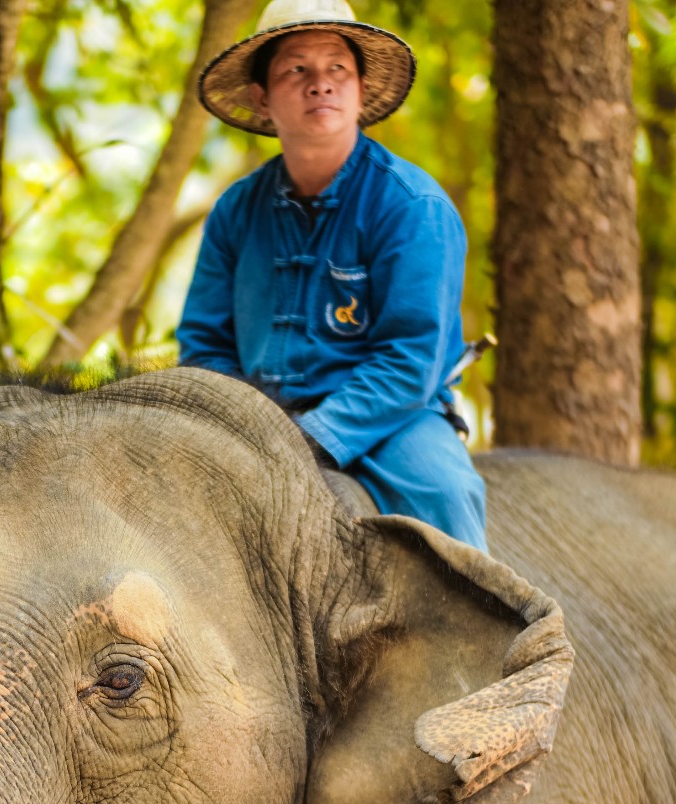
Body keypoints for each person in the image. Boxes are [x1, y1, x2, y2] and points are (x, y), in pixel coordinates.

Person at [178, 0, 487, 549]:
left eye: (337, 69)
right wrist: (245, 424)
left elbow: (411, 360)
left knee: (446, 492)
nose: (320, 84)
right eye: (296, 69)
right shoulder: (234, 211)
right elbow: (205, 345)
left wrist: (315, 436)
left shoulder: (412, 206)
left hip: (393, 420)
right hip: (256, 420)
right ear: (262, 98)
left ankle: (502, 635)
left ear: (360, 89)